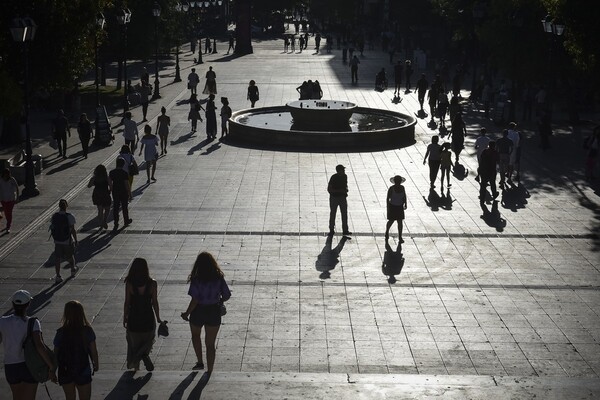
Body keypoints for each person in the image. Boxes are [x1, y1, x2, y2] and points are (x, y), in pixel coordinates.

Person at [0, 290, 57, 400]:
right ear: (28, 304)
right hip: (29, 365)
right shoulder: (33, 323)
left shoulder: (2, 321)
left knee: (17, 397)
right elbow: (39, 346)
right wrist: (51, 366)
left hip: (10, 366)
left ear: (13, 304)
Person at [181, 252, 231, 376]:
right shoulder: (218, 277)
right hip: (213, 311)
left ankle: (199, 362)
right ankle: (210, 370)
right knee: (210, 344)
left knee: (195, 336)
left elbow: (195, 299)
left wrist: (187, 313)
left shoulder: (196, 278)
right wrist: (219, 300)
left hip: (198, 311)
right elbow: (227, 294)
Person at [53, 301, 99, 400]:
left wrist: (52, 370)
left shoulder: (61, 332)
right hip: (83, 369)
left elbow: (55, 353)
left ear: (66, 314)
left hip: (65, 371)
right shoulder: (87, 331)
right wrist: (96, 364)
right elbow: (94, 351)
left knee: (69, 397)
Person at [124, 258, 162, 371]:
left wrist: (125, 317)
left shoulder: (130, 284)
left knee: (134, 344)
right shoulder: (152, 283)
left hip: (134, 318)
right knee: (148, 340)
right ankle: (145, 355)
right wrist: (158, 318)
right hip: (148, 318)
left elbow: (127, 302)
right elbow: (154, 302)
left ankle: (136, 368)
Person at [51, 199, 78, 283]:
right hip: (67, 240)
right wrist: (76, 239)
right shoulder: (70, 216)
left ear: (59, 206)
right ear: (66, 206)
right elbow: (73, 230)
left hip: (57, 241)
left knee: (57, 258)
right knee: (70, 255)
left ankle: (58, 275)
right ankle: (73, 269)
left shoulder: (54, 216)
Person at [109, 158, 132, 231]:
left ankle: (116, 223)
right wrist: (129, 193)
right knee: (124, 207)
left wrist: (111, 188)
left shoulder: (112, 172)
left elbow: (109, 182)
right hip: (123, 192)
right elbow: (126, 184)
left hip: (115, 191)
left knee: (116, 207)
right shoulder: (124, 173)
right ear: (123, 164)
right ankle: (126, 221)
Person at [328, 164, 351, 235]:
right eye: (343, 170)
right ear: (339, 171)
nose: (344, 171)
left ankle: (345, 230)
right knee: (333, 213)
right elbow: (329, 188)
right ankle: (331, 229)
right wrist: (339, 191)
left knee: (344, 214)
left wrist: (346, 190)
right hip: (334, 197)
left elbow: (345, 185)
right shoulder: (334, 177)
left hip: (342, 197)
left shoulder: (345, 176)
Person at [87, 165, 111, 230]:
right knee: (107, 208)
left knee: (100, 209)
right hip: (105, 194)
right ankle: (104, 220)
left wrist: (94, 183)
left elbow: (89, 186)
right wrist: (110, 191)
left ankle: (101, 223)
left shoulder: (94, 178)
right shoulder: (107, 177)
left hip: (97, 194)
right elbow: (111, 187)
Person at [385, 175, 407, 242]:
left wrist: (405, 203)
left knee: (400, 222)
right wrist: (388, 207)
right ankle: (387, 231)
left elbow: (404, 196)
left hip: (400, 206)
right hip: (393, 206)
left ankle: (400, 237)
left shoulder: (402, 188)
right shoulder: (391, 188)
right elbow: (388, 198)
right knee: (391, 221)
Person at [0, 168, 19, 233]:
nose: (6, 175)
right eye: (5, 174)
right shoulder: (1, 180)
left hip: (11, 199)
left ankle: (8, 226)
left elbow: (17, 188)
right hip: (3, 199)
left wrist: (17, 197)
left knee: (9, 212)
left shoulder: (12, 179)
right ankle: (8, 223)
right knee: (6, 212)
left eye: (7, 174)